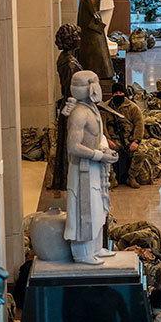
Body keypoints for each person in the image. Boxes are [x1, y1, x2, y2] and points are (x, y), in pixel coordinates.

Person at [65, 70, 119, 265]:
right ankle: (82, 253)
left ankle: (96, 248)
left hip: (96, 168)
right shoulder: (79, 113)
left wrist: (105, 149)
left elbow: (98, 136)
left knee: (98, 209)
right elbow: (73, 146)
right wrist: (98, 155)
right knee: (85, 211)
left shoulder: (92, 109)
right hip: (83, 170)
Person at [102, 82, 144, 188]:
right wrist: (107, 140)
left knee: (140, 154)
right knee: (105, 154)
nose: (118, 95)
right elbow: (102, 126)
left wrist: (136, 141)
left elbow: (139, 125)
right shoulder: (105, 108)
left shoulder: (133, 108)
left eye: (121, 92)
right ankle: (112, 179)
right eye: (116, 93)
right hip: (113, 140)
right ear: (112, 94)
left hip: (129, 140)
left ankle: (131, 178)